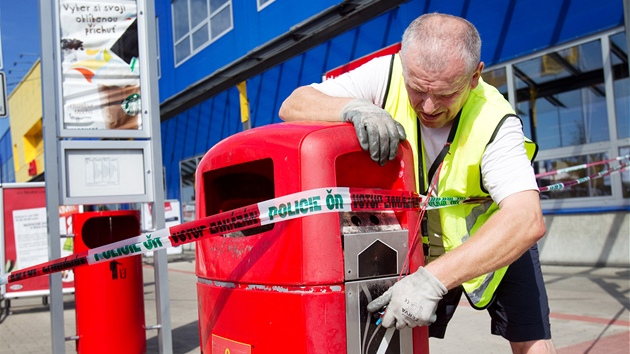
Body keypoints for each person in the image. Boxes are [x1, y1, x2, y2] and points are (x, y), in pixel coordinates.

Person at [279, 12, 557, 354]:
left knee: (532, 339)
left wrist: (433, 280)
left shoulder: (496, 121)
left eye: (444, 94)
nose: (428, 106)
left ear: (475, 76)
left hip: (494, 239)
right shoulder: (387, 72)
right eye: (418, 89)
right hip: (410, 241)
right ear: (404, 63)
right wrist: (351, 108)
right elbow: (293, 104)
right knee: (387, 337)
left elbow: (525, 219)